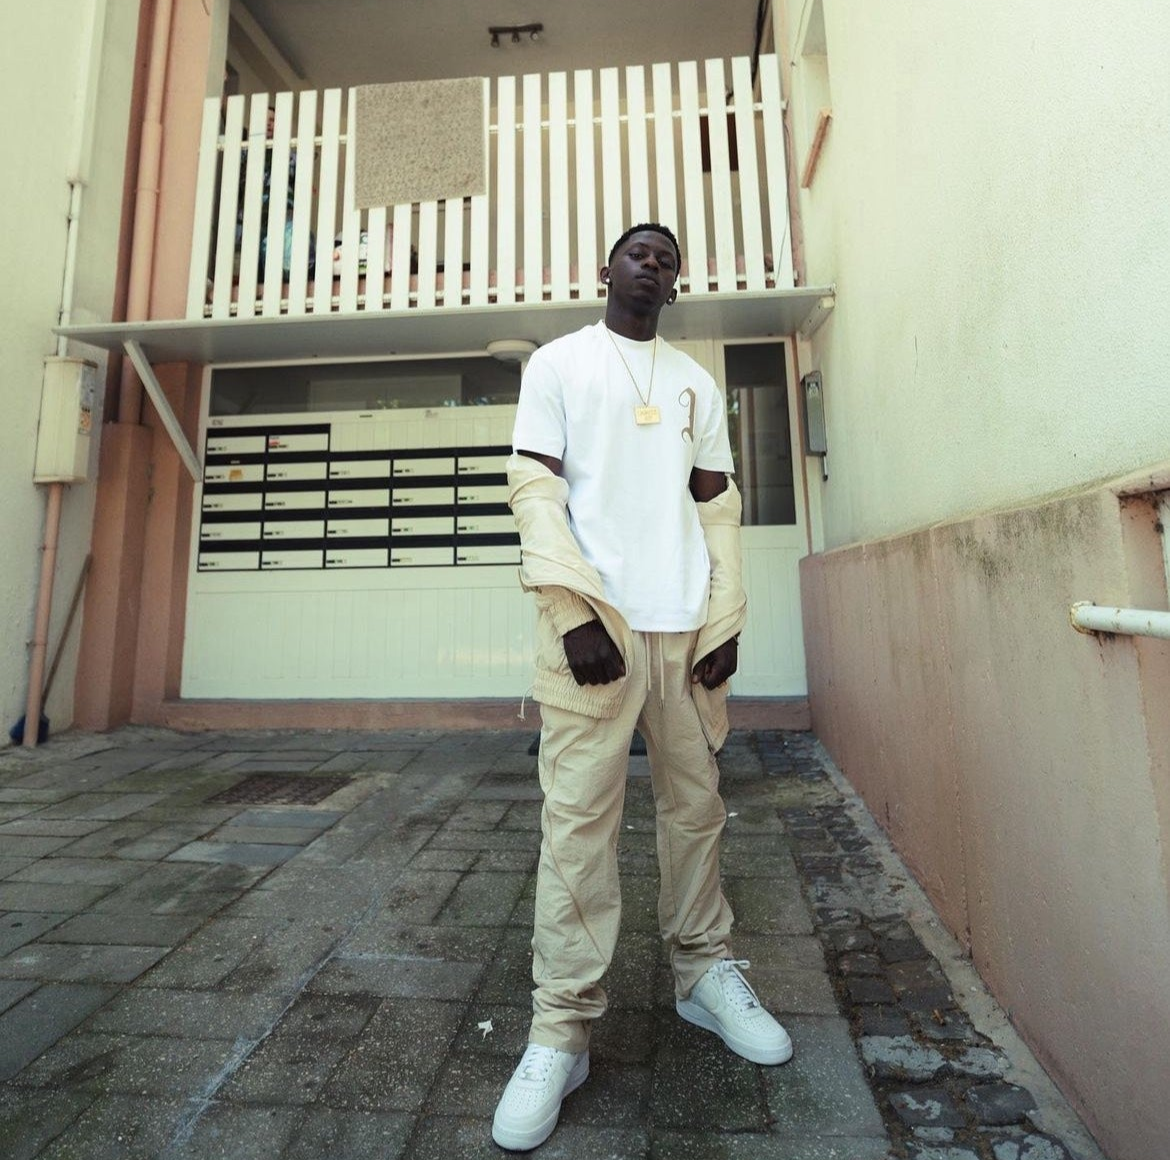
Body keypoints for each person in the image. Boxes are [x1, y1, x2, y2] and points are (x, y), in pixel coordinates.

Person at [493, 224, 793, 1152]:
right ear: (607, 271)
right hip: (597, 633)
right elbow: (533, 494)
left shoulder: (695, 382)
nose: (652, 262)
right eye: (638, 251)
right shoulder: (558, 365)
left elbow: (718, 508)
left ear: (675, 284)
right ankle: (561, 1027)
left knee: (695, 810)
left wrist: (725, 620)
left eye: (667, 256)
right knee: (577, 826)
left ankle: (704, 973)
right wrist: (570, 613)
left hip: (683, 632)